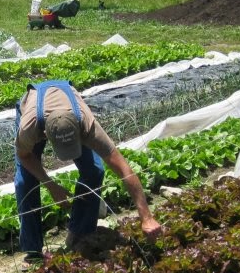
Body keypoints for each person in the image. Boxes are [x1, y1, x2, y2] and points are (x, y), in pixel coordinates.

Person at [14, 79, 162, 261]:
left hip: (71, 108)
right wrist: (51, 186)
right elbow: (25, 156)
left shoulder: (87, 124)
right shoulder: (30, 127)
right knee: (25, 181)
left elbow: (124, 169)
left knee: (94, 170)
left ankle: (80, 235)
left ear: (79, 131)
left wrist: (146, 217)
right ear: (46, 136)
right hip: (34, 106)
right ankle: (33, 251)